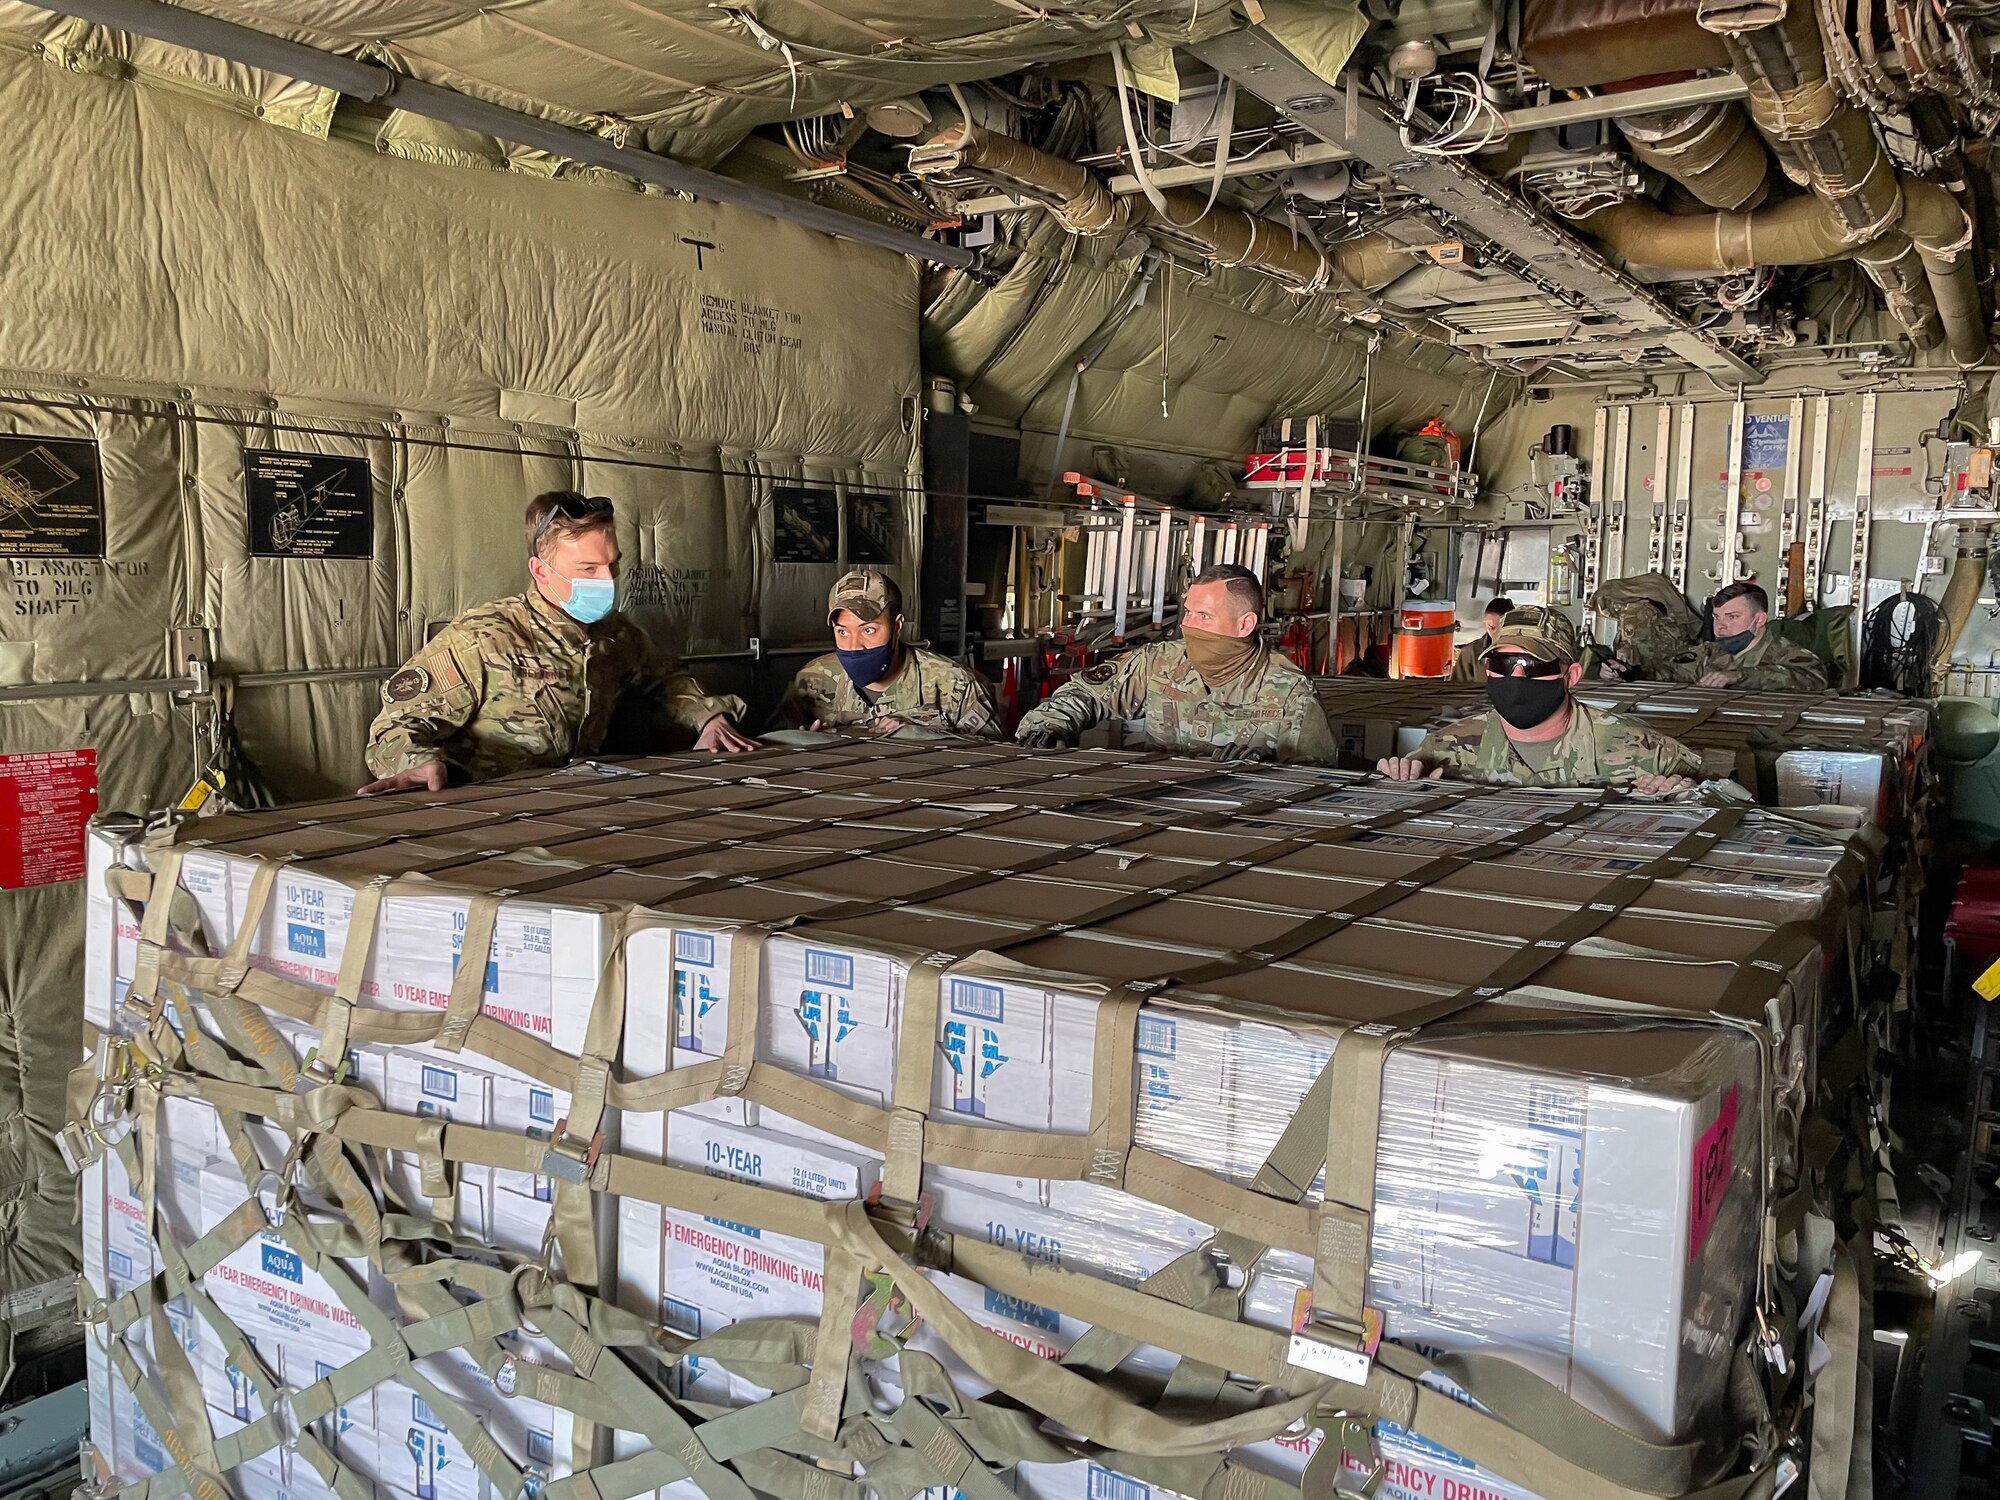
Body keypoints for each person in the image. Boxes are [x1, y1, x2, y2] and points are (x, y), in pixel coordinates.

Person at [359, 492, 757, 793]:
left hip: (580, 802)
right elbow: (394, 728)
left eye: (612, 565)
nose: (606, 581)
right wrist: (421, 763)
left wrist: (709, 716)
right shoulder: (483, 637)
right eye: (588, 568)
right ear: (540, 570)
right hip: (491, 810)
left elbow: (667, 677)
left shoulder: (615, 634)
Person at [1014, 563, 1337, 763]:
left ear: (1244, 625)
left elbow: (1318, 775)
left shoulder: (1289, 691)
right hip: (1155, 801)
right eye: (1189, 613)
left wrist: (1265, 768)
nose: (1190, 625)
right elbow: (1085, 694)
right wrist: (1048, 726)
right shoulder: (1160, 662)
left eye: (1205, 616)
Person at [1376, 605, 1702, 790]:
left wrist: (1681, 793)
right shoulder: (1447, 747)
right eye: (1502, 663)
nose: (1515, 678)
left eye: (1533, 665)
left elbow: (1729, 802)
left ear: (1571, 676)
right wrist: (1398, 779)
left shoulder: (1644, 749)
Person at [773, 569, 1000, 738]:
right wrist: (809, 741)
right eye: (842, 631)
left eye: (868, 630)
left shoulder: (956, 685)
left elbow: (996, 761)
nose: (854, 645)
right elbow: (774, 752)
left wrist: (919, 735)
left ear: (897, 626)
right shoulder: (812, 680)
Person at [1660, 581, 1829, 691]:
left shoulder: (1784, 653)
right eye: (1716, 617)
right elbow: (1669, 671)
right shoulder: (1710, 652)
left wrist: (1739, 676)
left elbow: (1813, 678)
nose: (1720, 626)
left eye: (1732, 617)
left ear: (1760, 619)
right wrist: (1636, 670)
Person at [1450, 595, 1514, 682]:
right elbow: (1458, 690)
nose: (1497, 634)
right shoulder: (1471, 653)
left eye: (1503, 628)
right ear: (1485, 622)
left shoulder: (1527, 651)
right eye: (1491, 627)